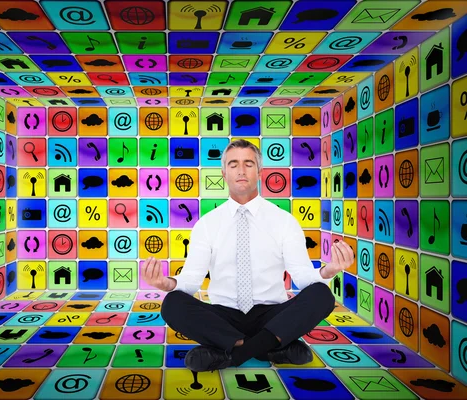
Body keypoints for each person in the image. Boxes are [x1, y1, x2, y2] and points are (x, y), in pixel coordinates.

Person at [141, 139, 355, 372]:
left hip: (272, 314)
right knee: (172, 303)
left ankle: (232, 353)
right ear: (224, 173)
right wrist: (164, 282)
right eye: (233, 164)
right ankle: (270, 347)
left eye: (248, 163)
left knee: (321, 294)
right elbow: (191, 281)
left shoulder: (284, 221)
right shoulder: (206, 224)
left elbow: (303, 277)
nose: (241, 170)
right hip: (223, 317)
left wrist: (331, 269)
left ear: (260, 171)